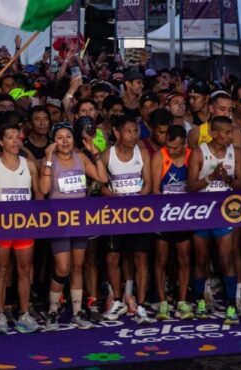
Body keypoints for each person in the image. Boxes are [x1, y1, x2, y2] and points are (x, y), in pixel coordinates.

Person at [40, 122, 108, 331]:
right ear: (53, 141)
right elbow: (44, 189)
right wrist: (48, 160)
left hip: (80, 220)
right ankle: (53, 310)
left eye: (68, 137)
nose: (65, 141)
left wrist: (95, 154)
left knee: (78, 266)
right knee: (63, 267)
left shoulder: (81, 158)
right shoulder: (49, 160)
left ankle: (77, 312)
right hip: (59, 222)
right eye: (60, 138)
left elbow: (102, 178)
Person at [0, 123, 43, 334]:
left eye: (17, 137)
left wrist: (32, 215)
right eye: (9, 137)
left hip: (24, 227)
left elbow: (38, 194)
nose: (15, 141)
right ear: (1, 142)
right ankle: (1, 314)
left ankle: (24, 314)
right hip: (2, 228)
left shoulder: (29, 165)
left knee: (24, 270)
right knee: (1, 270)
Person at [187, 116, 241, 325]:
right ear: (214, 133)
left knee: (226, 258)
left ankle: (231, 304)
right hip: (202, 212)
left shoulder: (236, 153)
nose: (231, 137)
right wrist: (211, 177)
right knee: (201, 259)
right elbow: (190, 186)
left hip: (224, 213)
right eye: (227, 133)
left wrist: (227, 178)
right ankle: (200, 301)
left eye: (232, 132)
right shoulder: (198, 152)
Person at [101, 115, 153, 324]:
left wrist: (137, 201)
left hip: (138, 215)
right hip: (115, 215)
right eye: (128, 131)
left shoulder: (142, 154)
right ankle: (116, 301)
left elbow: (148, 183)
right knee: (112, 258)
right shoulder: (108, 155)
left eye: (135, 131)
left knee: (140, 258)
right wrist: (115, 199)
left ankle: (140, 304)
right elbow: (100, 185)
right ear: (117, 133)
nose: (133, 135)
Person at [151, 125, 194, 321]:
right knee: (160, 259)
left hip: (185, 214)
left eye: (175, 147)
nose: (171, 150)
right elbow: (155, 190)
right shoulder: (159, 156)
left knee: (184, 259)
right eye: (168, 146)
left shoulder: (191, 155)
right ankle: (162, 302)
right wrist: (167, 210)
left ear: (184, 144)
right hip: (164, 214)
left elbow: (195, 186)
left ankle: (182, 301)